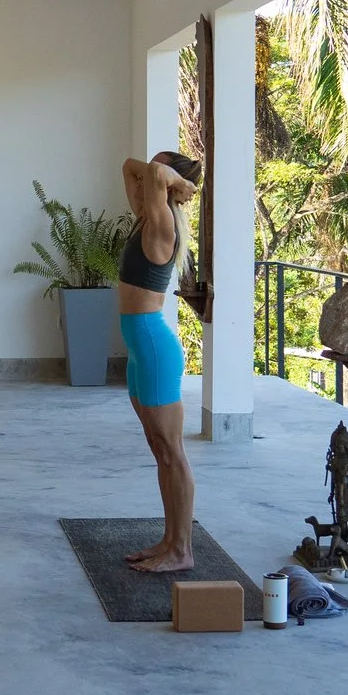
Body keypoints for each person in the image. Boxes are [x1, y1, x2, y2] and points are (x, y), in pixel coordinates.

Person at [117, 151, 203, 573]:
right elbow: (130, 167)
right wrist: (168, 178)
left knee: (173, 452)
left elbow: (148, 172)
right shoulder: (147, 220)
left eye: (161, 170)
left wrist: (172, 180)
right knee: (159, 449)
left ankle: (182, 551)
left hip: (153, 347)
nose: (151, 173)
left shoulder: (163, 223)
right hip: (141, 349)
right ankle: (169, 540)